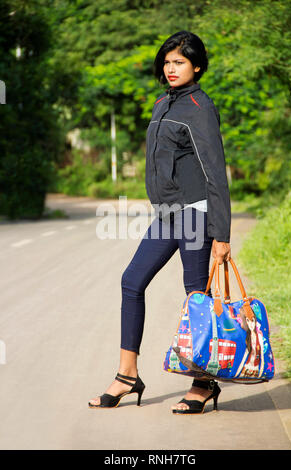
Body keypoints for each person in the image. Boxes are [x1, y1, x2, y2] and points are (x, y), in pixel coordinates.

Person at [89, 31, 231, 414]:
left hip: (196, 213)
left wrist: (221, 234)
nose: (171, 68)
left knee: (196, 298)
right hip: (168, 214)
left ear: (196, 66)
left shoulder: (200, 108)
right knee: (132, 281)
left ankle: (203, 383)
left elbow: (215, 172)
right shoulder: (161, 104)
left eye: (179, 62)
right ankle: (127, 375)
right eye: (167, 62)